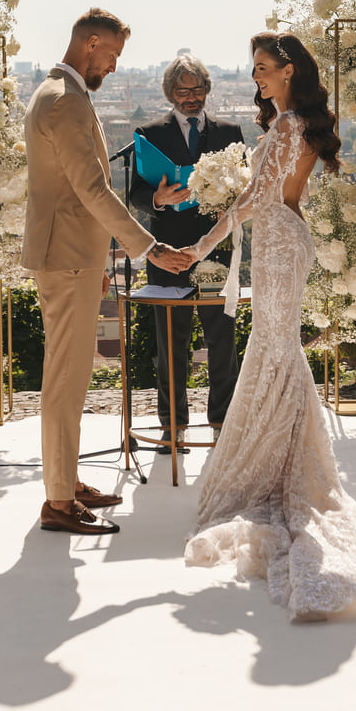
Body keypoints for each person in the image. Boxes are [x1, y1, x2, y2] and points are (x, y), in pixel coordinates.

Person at [181, 32, 356, 623]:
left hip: (279, 241)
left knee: (276, 349)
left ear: (287, 70)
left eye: (262, 68)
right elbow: (275, 194)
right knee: (277, 351)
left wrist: (204, 242)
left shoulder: (286, 127)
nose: (255, 77)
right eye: (253, 68)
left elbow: (259, 196)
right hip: (285, 237)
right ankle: (289, 464)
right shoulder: (296, 121)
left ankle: (277, 472)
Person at [22, 9, 193, 536]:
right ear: (91, 43)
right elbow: (92, 190)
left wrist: (102, 259)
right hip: (67, 256)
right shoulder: (65, 102)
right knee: (65, 380)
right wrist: (147, 247)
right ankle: (58, 501)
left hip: (75, 254)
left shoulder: (59, 93)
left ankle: (67, 483)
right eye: (113, 57)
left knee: (71, 378)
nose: (114, 69)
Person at [129, 54, 245, 450]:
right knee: (169, 345)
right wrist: (158, 199)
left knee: (222, 341)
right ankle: (172, 427)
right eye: (183, 91)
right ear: (169, 93)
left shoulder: (230, 131)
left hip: (216, 251)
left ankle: (222, 422)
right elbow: (136, 195)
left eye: (197, 90)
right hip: (169, 253)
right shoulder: (149, 132)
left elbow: (244, 188)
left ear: (208, 90)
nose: (191, 97)